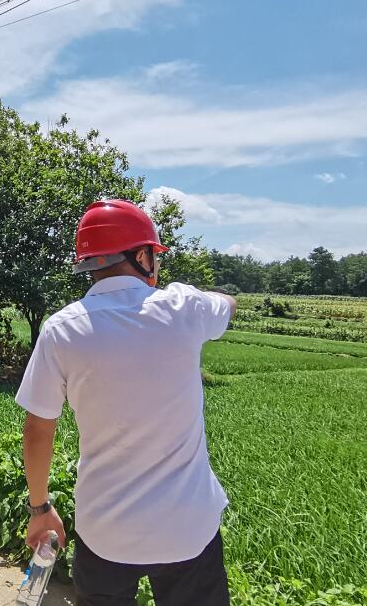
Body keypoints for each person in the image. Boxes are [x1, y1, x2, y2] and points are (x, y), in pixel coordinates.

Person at [16, 199, 237, 606]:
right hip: (188, 527)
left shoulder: (62, 329)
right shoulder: (184, 307)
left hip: (105, 529)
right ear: (143, 256)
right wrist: (190, 295)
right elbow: (229, 305)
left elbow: (37, 429)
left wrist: (40, 508)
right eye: (154, 255)